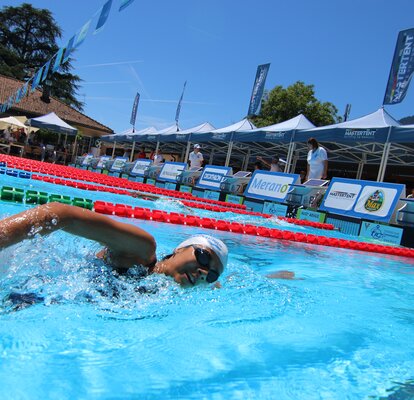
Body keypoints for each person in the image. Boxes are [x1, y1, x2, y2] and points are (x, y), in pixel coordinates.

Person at [0, 203, 227, 288]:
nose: (203, 271)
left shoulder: (172, 286)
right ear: (180, 249)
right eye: (204, 257)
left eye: (212, 274)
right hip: (29, 290)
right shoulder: (141, 251)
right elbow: (61, 214)